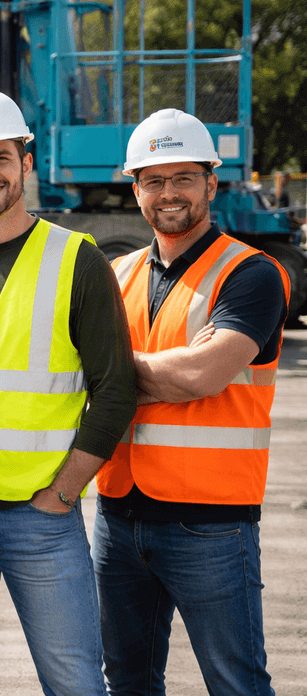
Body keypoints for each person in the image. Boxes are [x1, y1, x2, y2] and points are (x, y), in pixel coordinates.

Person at [0, 87, 136, 695]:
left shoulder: (77, 259)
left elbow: (115, 390)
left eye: (0, 158)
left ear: (26, 162)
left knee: (74, 683)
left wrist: (63, 493)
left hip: (40, 514)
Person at [95, 108, 287, 696]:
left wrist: (115, 372)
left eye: (183, 177)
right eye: (153, 179)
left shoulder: (250, 274)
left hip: (210, 524)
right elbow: (81, 375)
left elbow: (203, 375)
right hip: (118, 517)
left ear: (211, 183)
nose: (169, 192)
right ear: (135, 189)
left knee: (236, 683)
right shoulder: (117, 274)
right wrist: (162, 373)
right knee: (126, 682)